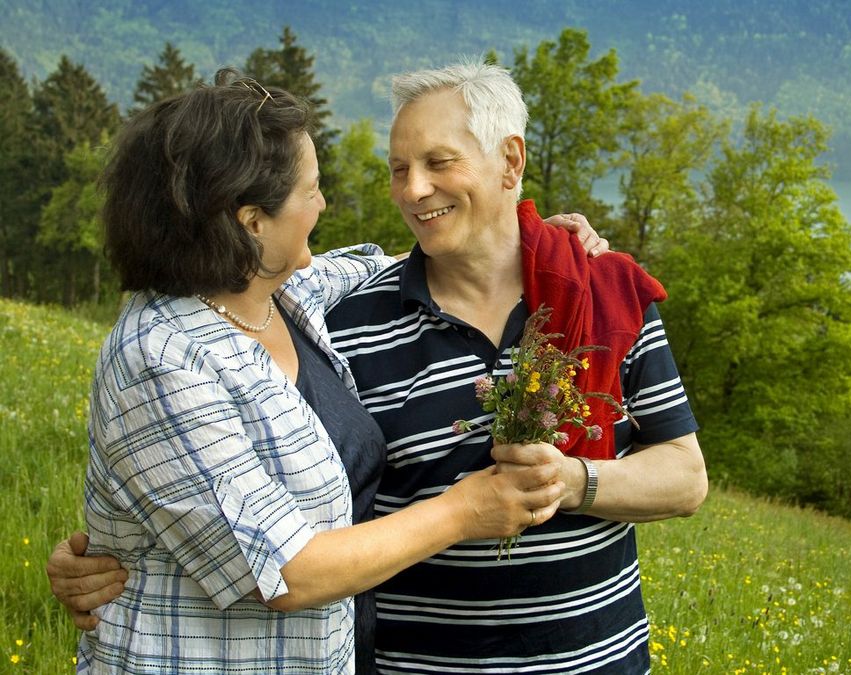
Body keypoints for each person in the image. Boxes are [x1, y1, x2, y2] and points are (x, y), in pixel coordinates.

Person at [50, 61, 704, 673]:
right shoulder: (230, 343)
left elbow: (684, 474)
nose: (411, 190)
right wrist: (468, 508)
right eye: (397, 169)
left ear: (511, 161)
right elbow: (269, 548)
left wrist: (534, 238)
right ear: (251, 224)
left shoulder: (294, 298)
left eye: (437, 162)